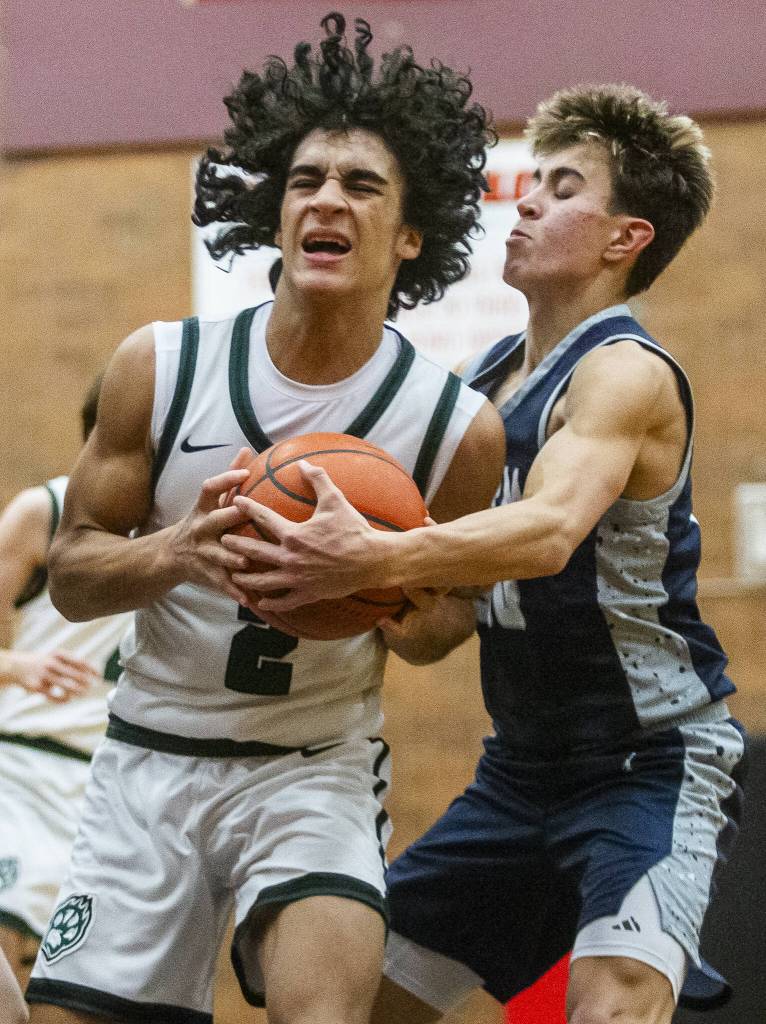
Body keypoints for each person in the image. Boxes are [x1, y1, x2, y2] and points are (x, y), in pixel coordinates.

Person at [226, 84, 747, 1024]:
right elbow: (441, 630)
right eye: (531, 182)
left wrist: (376, 560)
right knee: (352, 999)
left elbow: (548, 536)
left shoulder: (623, 372)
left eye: (560, 187)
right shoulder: (485, 386)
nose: (529, 202)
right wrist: (329, 587)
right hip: (518, 773)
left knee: (614, 1005)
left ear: (625, 238)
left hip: (647, 762)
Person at [28, 13, 504, 1024]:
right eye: (305, 179)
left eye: (362, 184)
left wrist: (372, 580)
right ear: (276, 214)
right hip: (149, 759)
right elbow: (70, 572)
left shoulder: (456, 429)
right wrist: (176, 551)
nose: (328, 196)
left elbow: (445, 623)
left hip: (312, 768)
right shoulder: (161, 367)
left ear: (411, 235)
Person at [0, 378, 131, 1003]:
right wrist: (16, 668)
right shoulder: (42, 512)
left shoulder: (189, 529)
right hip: (21, 764)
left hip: (112, 792)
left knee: (64, 988)